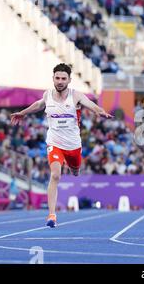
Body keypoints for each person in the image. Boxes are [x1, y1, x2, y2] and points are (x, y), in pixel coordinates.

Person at [10, 63, 113, 228]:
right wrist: (22, 113)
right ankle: (52, 215)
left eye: (63, 78)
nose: (60, 81)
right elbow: (38, 105)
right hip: (54, 142)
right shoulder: (47, 95)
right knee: (55, 175)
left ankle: (74, 167)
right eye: (57, 78)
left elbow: (91, 105)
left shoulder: (76, 96)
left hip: (73, 144)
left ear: (69, 80)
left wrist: (99, 111)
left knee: (75, 171)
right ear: (53, 78)